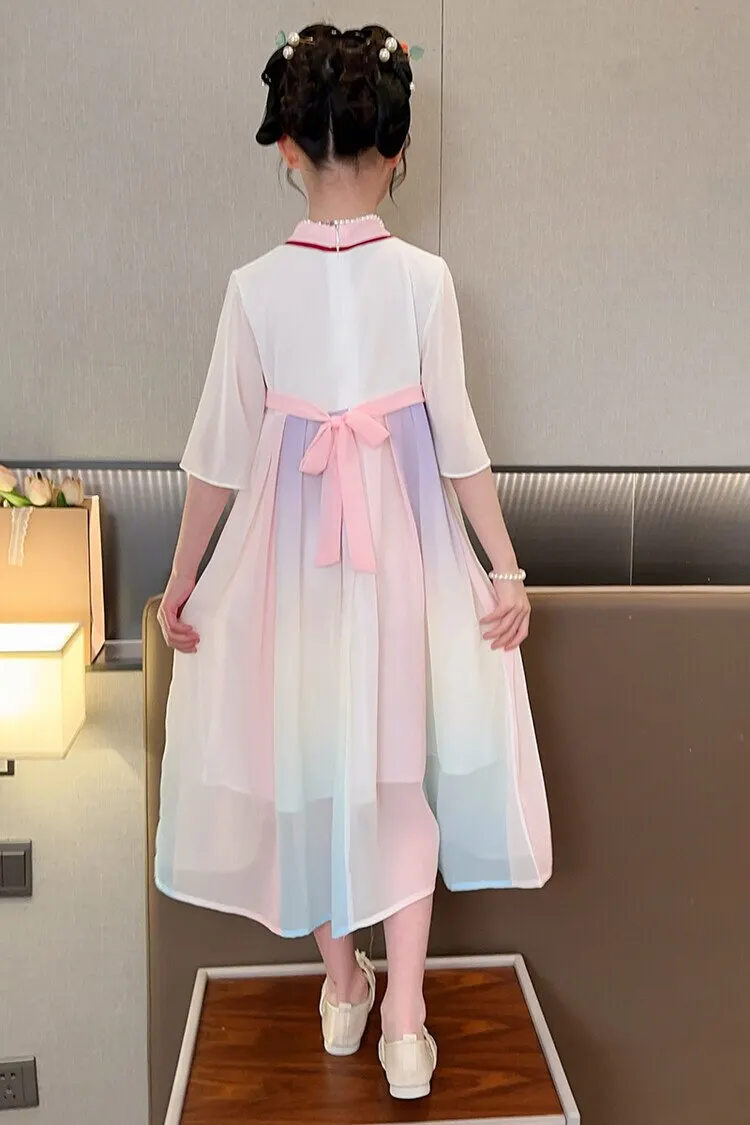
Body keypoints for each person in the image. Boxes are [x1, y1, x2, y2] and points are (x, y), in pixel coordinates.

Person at [156, 22, 552, 1101]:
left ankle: (343, 990)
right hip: (402, 566)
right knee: (395, 775)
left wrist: (185, 581)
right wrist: (504, 570)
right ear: (397, 151)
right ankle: (407, 1023)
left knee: (310, 771)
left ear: (287, 147)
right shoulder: (424, 280)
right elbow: (460, 443)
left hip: (289, 575)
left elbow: (217, 458)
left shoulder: (253, 287)